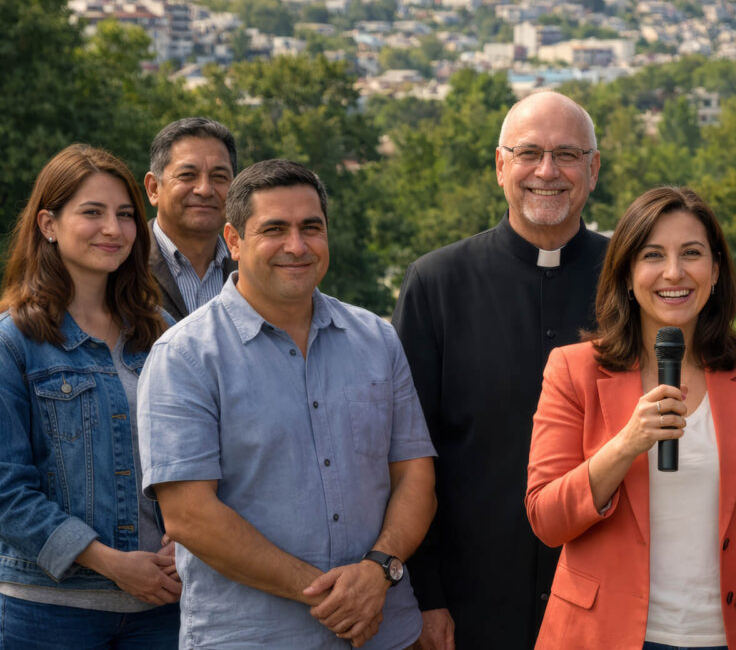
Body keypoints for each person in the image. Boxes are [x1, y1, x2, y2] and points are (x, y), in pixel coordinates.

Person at [138, 159, 437, 648]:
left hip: (382, 631)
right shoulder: (185, 356)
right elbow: (189, 515)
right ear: (233, 241)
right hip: (253, 636)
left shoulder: (376, 339)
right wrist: (331, 594)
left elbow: (414, 474)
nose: (297, 246)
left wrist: (377, 571)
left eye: (311, 228)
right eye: (274, 229)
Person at [526, 186, 736, 649]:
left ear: (715, 270)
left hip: (725, 636)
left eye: (691, 254)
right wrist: (626, 443)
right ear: (627, 274)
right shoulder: (572, 369)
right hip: (600, 636)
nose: (674, 272)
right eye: (653, 254)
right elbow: (546, 519)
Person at [392, 91, 608, 650]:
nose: (547, 171)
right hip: (470, 600)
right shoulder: (437, 283)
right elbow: (407, 453)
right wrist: (426, 596)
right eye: (529, 153)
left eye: (566, 155)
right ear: (499, 166)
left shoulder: (631, 280)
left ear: (593, 169)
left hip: (605, 593)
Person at [0, 144, 179, 647]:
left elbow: (198, 456)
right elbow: (7, 492)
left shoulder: (162, 332)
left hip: (164, 605)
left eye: (125, 215)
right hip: (50, 612)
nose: (113, 229)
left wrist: (185, 541)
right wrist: (112, 563)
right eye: (92, 212)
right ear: (48, 224)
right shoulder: (13, 342)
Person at [144, 117, 238, 320]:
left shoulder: (253, 268)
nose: (204, 189)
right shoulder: (120, 263)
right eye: (187, 175)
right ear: (153, 188)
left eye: (219, 177)